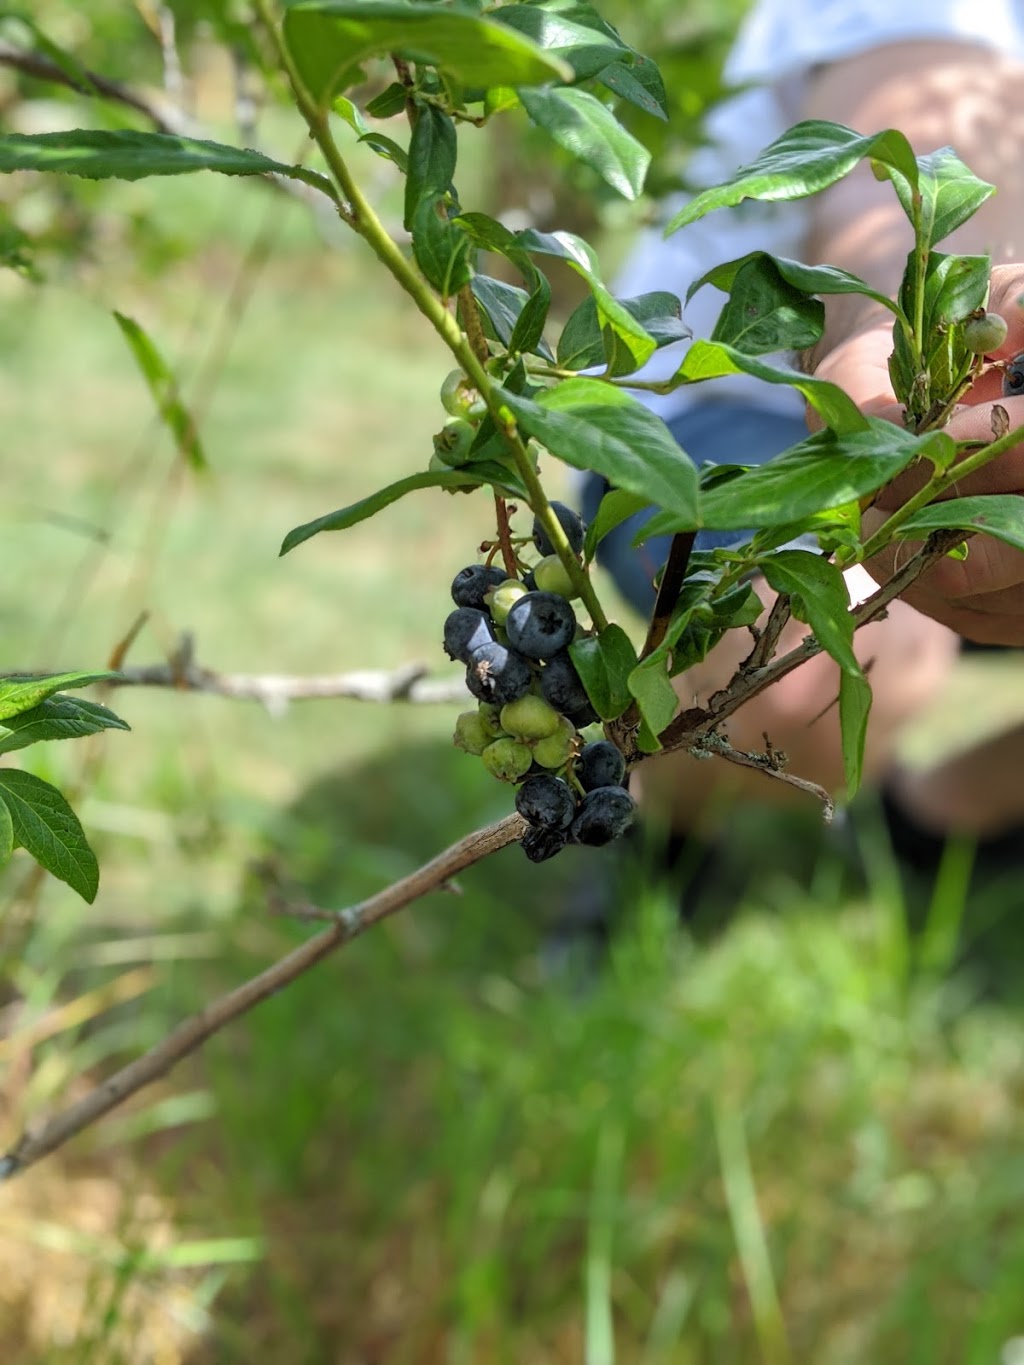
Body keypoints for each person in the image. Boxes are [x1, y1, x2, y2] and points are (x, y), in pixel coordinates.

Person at [586, 0, 1024, 855]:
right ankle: (656, 838)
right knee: (813, 676)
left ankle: (935, 826)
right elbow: (920, 153)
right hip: (730, 405)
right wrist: (902, 317)